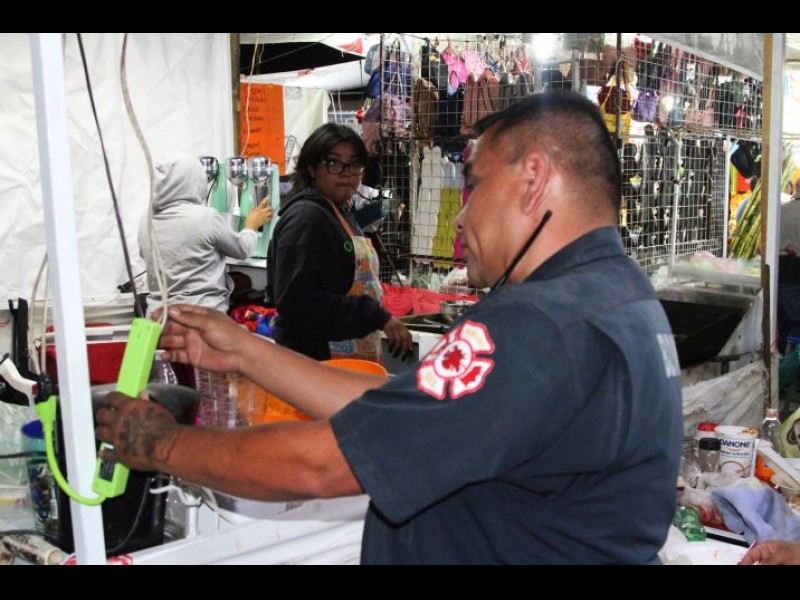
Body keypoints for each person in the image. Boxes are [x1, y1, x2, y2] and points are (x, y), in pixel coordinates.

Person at [98, 92, 684, 565]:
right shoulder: (623, 295)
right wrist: (247, 352)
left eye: (475, 184)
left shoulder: (538, 322)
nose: (464, 215)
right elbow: (403, 407)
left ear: (534, 178)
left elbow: (323, 463)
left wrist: (163, 444)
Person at [266, 123, 412, 362]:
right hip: (317, 361)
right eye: (334, 163)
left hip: (350, 358)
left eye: (354, 164)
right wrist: (373, 314)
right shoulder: (306, 218)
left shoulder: (337, 211)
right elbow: (297, 302)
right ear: (312, 168)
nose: (346, 173)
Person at [139, 155, 273, 316]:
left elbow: (145, 254)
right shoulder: (206, 218)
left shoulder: (145, 220)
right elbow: (242, 250)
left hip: (157, 317)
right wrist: (251, 226)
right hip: (202, 318)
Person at [778, 178, 800, 354]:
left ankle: (780, 362)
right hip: (795, 277)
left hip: (779, 274)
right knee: (797, 322)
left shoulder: (781, 210)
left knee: (784, 324)